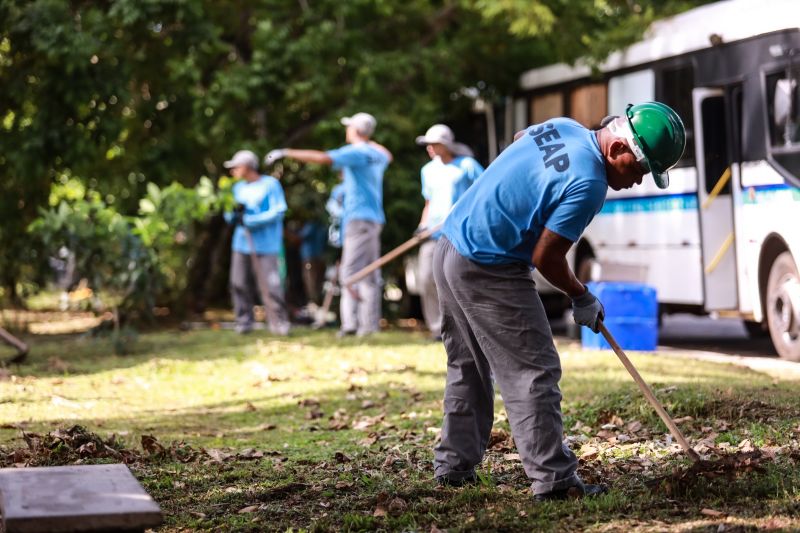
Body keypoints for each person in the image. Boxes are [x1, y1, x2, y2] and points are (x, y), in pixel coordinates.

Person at [432, 102, 686, 500]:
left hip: (450, 246)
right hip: (489, 264)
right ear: (618, 150)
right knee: (534, 371)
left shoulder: (565, 127)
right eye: (638, 171)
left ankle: (453, 467)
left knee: (467, 365)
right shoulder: (590, 183)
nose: (637, 182)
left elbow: (522, 140)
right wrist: (581, 296)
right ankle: (554, 481)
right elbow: (546, 258)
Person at [265, 112, 392, 337]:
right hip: (374, 220)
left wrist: (286, 152)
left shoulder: (356, 152)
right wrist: (367, 138)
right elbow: (388, 154)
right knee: (370, 273)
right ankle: (369, 326)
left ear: (355, 130)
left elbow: (323, 158)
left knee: (350, 273)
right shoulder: (375, 154)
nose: (346, 131)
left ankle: (351, 325)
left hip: (358, 219)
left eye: (349, 127)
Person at [414, 124, 484, 340]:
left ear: (447, 145)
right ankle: (438, 329)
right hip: (432, 234)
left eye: (434, 144)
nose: (430, 148)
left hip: (459, 234)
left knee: (457, 279)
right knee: (426, 278)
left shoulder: (467, 165)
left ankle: (464, 328)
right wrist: (422, 225)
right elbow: (428, 202)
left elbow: (483, 193)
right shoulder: (428, 170)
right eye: (427, 144)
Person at [223, 149, 291, 336]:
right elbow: (229, 215)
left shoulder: (270, 184)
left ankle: (278, 323)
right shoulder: (237, 188)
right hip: (241, 244)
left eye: (236, 166)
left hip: (266, 245)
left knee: (271, 286)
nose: (233, 171)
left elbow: (278, 211)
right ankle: (244, 322)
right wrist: (234, 217)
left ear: (246, 166)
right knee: (238, 283)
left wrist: (252, 220)